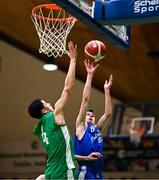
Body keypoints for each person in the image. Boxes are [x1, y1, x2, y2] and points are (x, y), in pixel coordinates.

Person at [28, 41, 77, 180]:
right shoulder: (54, 116)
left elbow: (61, 149)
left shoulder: (40, 127)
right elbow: (68, 88)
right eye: (46, 103)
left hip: (50, 172)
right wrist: (73, 60)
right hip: (63, 171)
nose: (49, 103)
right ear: (43, 110)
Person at [74, 59, 113, 179]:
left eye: (93, 115)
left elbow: (108, 113)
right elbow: (85, 100)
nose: (91, 115)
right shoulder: (81, 127)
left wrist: (106, 90)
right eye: (88, 114)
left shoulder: (96, 130)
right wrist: (90, 75)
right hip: (85, 173)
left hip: (98, 173)